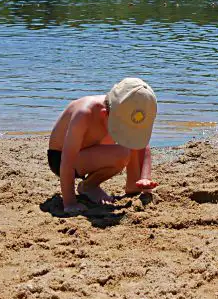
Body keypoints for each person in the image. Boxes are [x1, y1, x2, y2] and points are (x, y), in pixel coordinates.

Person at [48, 78, 159, 214]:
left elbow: (142, 143)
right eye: (121, 127)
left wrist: (145, 177)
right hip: (61, 158)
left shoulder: (124, 110)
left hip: (93, 151)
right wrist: (70, 202)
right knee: (123, 153)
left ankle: (133, 184)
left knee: (132, 140)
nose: (124, 131)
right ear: (105, 113)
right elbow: (67, 160)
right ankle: (89, 186)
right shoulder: (84, 113)